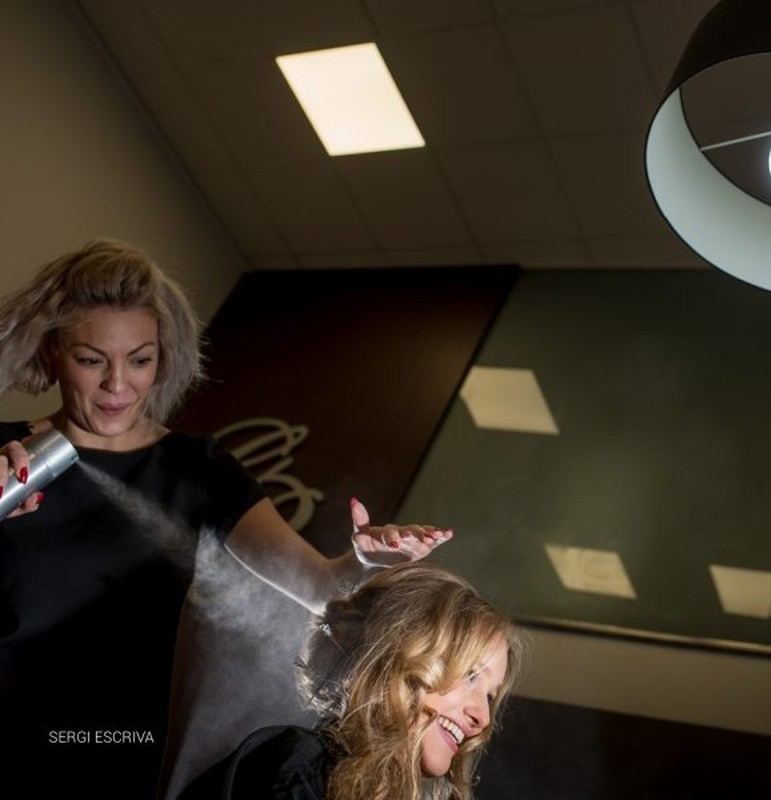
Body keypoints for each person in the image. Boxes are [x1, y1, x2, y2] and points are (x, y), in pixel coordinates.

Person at [0, 238, 452, 797]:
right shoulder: (4, 454)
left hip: (113, 743)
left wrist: (363, 560)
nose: (118, 385)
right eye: (91, 360)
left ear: (163, 358)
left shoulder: (199, 471)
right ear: (52, 354)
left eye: (140, 359)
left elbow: (317, 589)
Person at [178, 561, 523, 800]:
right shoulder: (296, 764)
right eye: (471, 676)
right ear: (398, 653)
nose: (484, 718)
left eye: (491, 697)